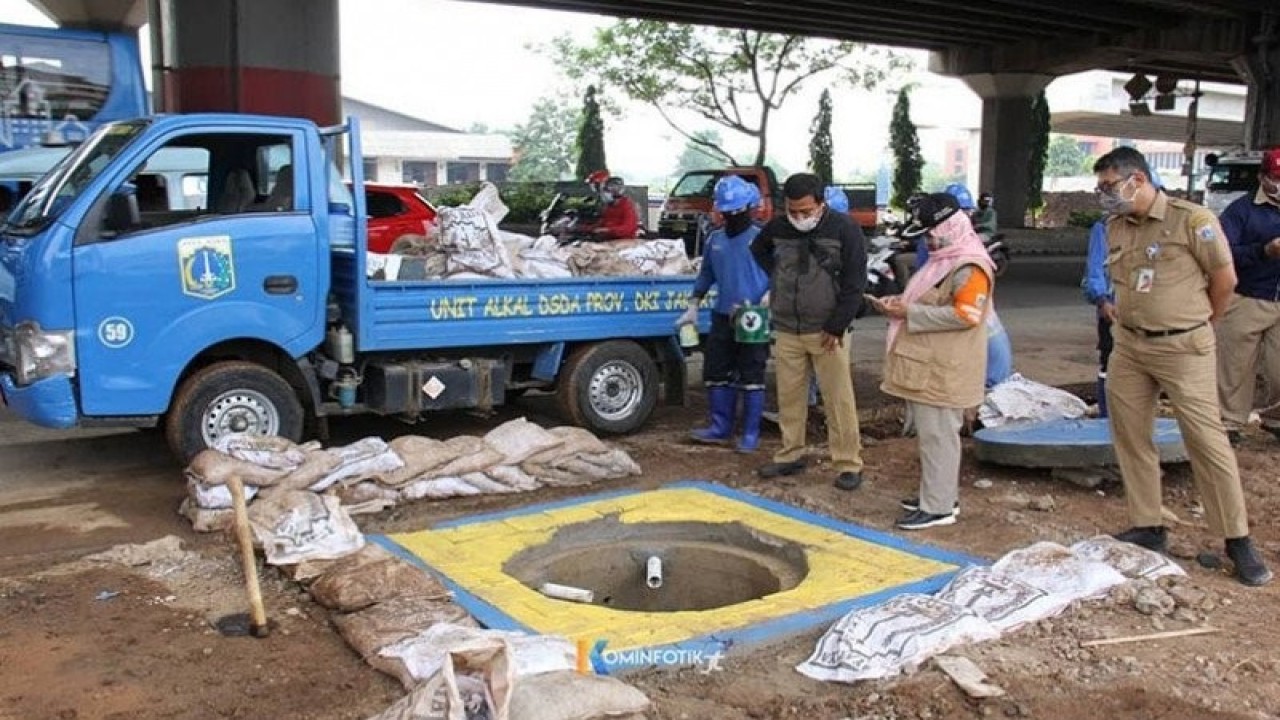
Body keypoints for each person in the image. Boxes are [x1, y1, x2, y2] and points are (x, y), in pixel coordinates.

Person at [1092, 146, 1270, 586]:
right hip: (1130, 347)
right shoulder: (1115, 226)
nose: (1104, 195)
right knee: (1131, 436)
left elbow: (1225, 282)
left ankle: (1236, 539)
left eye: (1109, 186)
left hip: (1184, 347)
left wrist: (1200, 323)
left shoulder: (1192, 221)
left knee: (1207, 441)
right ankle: (1149, 524)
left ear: (1137, 179)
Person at [869, 193, 994, 530]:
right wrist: (903, 304)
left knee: (939, 437)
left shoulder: (969, 265)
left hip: (945, 370)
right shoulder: (945, 260)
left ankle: (938, 508)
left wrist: (907, 312)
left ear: (950, 227)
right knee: (933, 436)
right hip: (932, 366)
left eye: (930, 233)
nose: (928, 240)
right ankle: (937, 496)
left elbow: (965, 315)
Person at [750, 173, 867, 490]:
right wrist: (779, 278)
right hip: (788, 328)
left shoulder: (845, 228)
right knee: (789, 397)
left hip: (829, 332)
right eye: (793, 211)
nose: (799, 217)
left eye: (805, 211)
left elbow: (856, 283)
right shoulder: (777, 228)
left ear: (821, 204)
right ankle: (790, 455)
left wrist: (837, 324)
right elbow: (758, 249)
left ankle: (848, 463)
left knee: (838, 399)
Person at [677, 176, 771, 452]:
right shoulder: (715, 239)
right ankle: (720, 427)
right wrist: (694, 302)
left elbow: (782, 272)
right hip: (722, 314)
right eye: (726, 210)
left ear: (749, 208)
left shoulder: (762, 239)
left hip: (753, 314)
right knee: (716, 370)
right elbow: (706, 274)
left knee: (751, 373)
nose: (731, 215)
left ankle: (750, 434)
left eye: (736, 210)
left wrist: (770, 297)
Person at [1215, 147, 1280, 445]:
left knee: (1277, 368)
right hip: (1248, 297)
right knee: (1235, 367)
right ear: (1262, 177)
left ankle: (1274, 418)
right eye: (1275, 178)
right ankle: (1229, 423)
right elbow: (1222, 255)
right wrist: (1263, 251)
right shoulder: (1241, 210)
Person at [1081, 217, 1114, 417]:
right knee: (1109, 364)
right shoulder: (1104, 227)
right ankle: (1106, 417)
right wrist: (1101, 299)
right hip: (1112, 309)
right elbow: (1094, 268)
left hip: (1144, 313)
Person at [589, 175, 640, 241]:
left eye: (606, 192)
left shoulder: (627, 206)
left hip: (624, 241)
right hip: (610, 240)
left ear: (615, 192)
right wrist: (584, 228)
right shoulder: (609, 207)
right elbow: (601, 224)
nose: (603, 195)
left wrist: (607, 230)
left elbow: (627, 229)